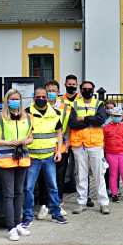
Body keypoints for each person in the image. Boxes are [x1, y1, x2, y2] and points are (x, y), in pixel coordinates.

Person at [0, 89, 33, 241]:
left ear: (21, 101)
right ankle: (11, 228)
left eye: (17, 98)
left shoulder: (27, 117)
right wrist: (8, 142)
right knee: (9, 194)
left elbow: (30, 137)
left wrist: (27, 141)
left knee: (19, 193)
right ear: (7, 101)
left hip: (22, 158)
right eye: (12, 99)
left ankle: (18, 223)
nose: (15, 101)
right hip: (5, 159)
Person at [21, 88, 68, 228]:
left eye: (43, 96)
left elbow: (58, 133)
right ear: (33, 98)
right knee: (28, 188)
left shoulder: (54, 113)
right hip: (32, 156)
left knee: (53, 186)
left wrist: (59, 150)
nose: (40, 99)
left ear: (47, 98)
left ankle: (55, 214)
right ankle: (27, 216)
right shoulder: (26, 113)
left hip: (49, 156)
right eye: (38, 96)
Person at [67, 80, 110, 215]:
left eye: (89, 89)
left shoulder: (99, 104)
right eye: (84, 89)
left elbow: (100, 120)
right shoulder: (74, 104)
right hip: (79, 144)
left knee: (99, 174)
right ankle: (81, 202)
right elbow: (72, 123)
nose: (87, 91)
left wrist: (83, 119)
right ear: (81, 90)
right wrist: (90, 122)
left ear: (93, 91)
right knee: (81, 175)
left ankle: (104, 203)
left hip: (95, 143)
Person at [36, 79, 71, 219]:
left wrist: (67, 144)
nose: (50, 93)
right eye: (48, 91)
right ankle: (44, 204)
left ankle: (58, 203)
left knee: (59, 178)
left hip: (61, 147)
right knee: (44, 178)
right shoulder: (37, 107)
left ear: (58, 92)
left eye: (53, 91)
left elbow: (68, 128)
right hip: (43, 148)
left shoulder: (66, 108)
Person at [104, 106, 123, 203]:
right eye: (114, 115)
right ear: (111, 115)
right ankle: (114, 194)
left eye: (118, 115)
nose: (117, 117)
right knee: (113, 174)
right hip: (111, 153)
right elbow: (104, 140)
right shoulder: (106, 127)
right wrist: (103, 153)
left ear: (122, 116)